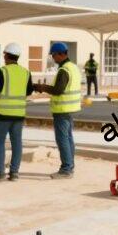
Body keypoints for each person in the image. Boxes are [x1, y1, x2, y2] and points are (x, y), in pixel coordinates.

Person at [0, 43, 29, 181]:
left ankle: (0, 173)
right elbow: (28, 90)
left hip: (2, 115)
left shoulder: (2, 71)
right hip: (19, 114)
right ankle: (14, 173)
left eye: (4, 54)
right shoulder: (26, 72)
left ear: (6, 55)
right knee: (17, 143)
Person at [34, 42, 80, 179]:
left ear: (61, 54)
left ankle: (66, 169)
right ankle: (70, 166)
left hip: (62, 109)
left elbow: (58, 90)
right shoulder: (73, 67)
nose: (53, 58)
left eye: (54, 55)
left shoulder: (64, 70)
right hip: (70, 109)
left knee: (62, 140)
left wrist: (42, 87)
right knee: (69, 139)